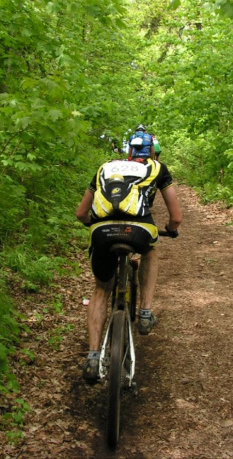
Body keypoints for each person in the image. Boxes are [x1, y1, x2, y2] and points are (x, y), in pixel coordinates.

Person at [75, 158, 182, 382]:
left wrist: (91, 224)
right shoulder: (156, 168)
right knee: (150, 252)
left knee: (101, 289)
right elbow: (176, 217)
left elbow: (81, 213)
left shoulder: (104, 167)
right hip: (139, 230)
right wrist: (171, 229)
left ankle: (93, 357)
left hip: (102, 231)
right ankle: (145, 312)